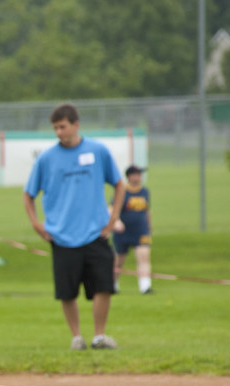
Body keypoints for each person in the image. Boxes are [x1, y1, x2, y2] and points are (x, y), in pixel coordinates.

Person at [23, 103, 125, 351]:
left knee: (103, 286)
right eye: (55, 128)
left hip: (95, 233)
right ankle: (77, 337)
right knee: (67, 292)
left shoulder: (98, 151)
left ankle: (99, 336)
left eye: (63, 126)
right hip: (62, 236)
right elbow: (28, 194)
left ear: (76, 125)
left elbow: (119, 184)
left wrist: (112, 221)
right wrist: (37, 224)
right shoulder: (46, 159)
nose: (59, 132)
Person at [112, 165, 154, 294]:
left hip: (140, 231)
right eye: (136, 174)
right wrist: (116, 222)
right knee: (118, 261)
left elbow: (147, 211)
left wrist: (149, 227)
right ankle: (113, 285)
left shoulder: (144, 192)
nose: (139, 177)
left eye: (140, 174)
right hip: (123, 232)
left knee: (144, 257)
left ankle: (145, 286)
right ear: (129, 176)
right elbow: (112, 209)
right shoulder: (122, 191)